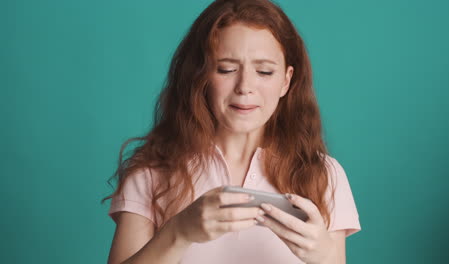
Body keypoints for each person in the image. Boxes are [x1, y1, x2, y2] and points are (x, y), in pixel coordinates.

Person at [102, 0, 361, 263]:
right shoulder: (151, 172)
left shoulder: (324, 175)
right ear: (200, 75)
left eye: (264, 71)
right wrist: (178, 232)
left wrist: (325, 256)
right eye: (226, 69)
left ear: (286, 80)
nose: (245, 86)